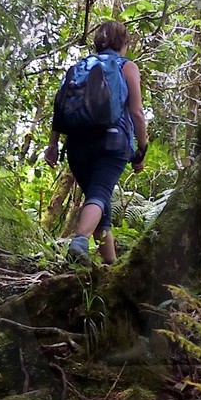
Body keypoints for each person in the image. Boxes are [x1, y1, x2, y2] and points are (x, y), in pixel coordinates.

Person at [45, 19, 149, 267]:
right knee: (100, 194)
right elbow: (136, 112)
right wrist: (142, 148)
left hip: (76, 146)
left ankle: (110, 267)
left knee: (100, 200)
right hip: (111, 142)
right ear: (123, 43)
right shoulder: (126, 66)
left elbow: (59, 106)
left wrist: (53, 145)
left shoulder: (81, 66)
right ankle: (79, 241)